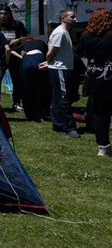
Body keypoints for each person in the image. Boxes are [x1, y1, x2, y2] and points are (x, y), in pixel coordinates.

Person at [76, 8, 112, 155]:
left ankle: (102, 146)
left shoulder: (85, 35)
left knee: (99, 112)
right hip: (109, 76)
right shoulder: (110, 35)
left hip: (93, 77)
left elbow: (81, 52)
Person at [40, 9, 79, 138]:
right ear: (63, 18)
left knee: (58, 97)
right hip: (59, 69)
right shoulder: (60, 32)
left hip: (62, 68)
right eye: (72, 17)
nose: (75, 19)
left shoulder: (65, 32)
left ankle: (57, 124)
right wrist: (48, 62)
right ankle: (69, 127)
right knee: (63, 98)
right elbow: (52, 51)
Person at [12, 36, 50, 122]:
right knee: (41, 87)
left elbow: (11, 50)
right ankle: (43, 112)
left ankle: (30, 114)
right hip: (39, 59)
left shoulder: (25, 43)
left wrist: (21, 57)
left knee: (26, 88)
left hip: (26, 60)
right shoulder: (41, 42)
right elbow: (48, 53)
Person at [0, 5, 28, 110]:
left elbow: (26, 37)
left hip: (15, 55)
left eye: (5, 13)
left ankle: (16, 102)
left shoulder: (17, 24)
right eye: (1, 13)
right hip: (2, 56)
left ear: (9, 14)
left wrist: (17, 40)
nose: (3, 16)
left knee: (16, 79)